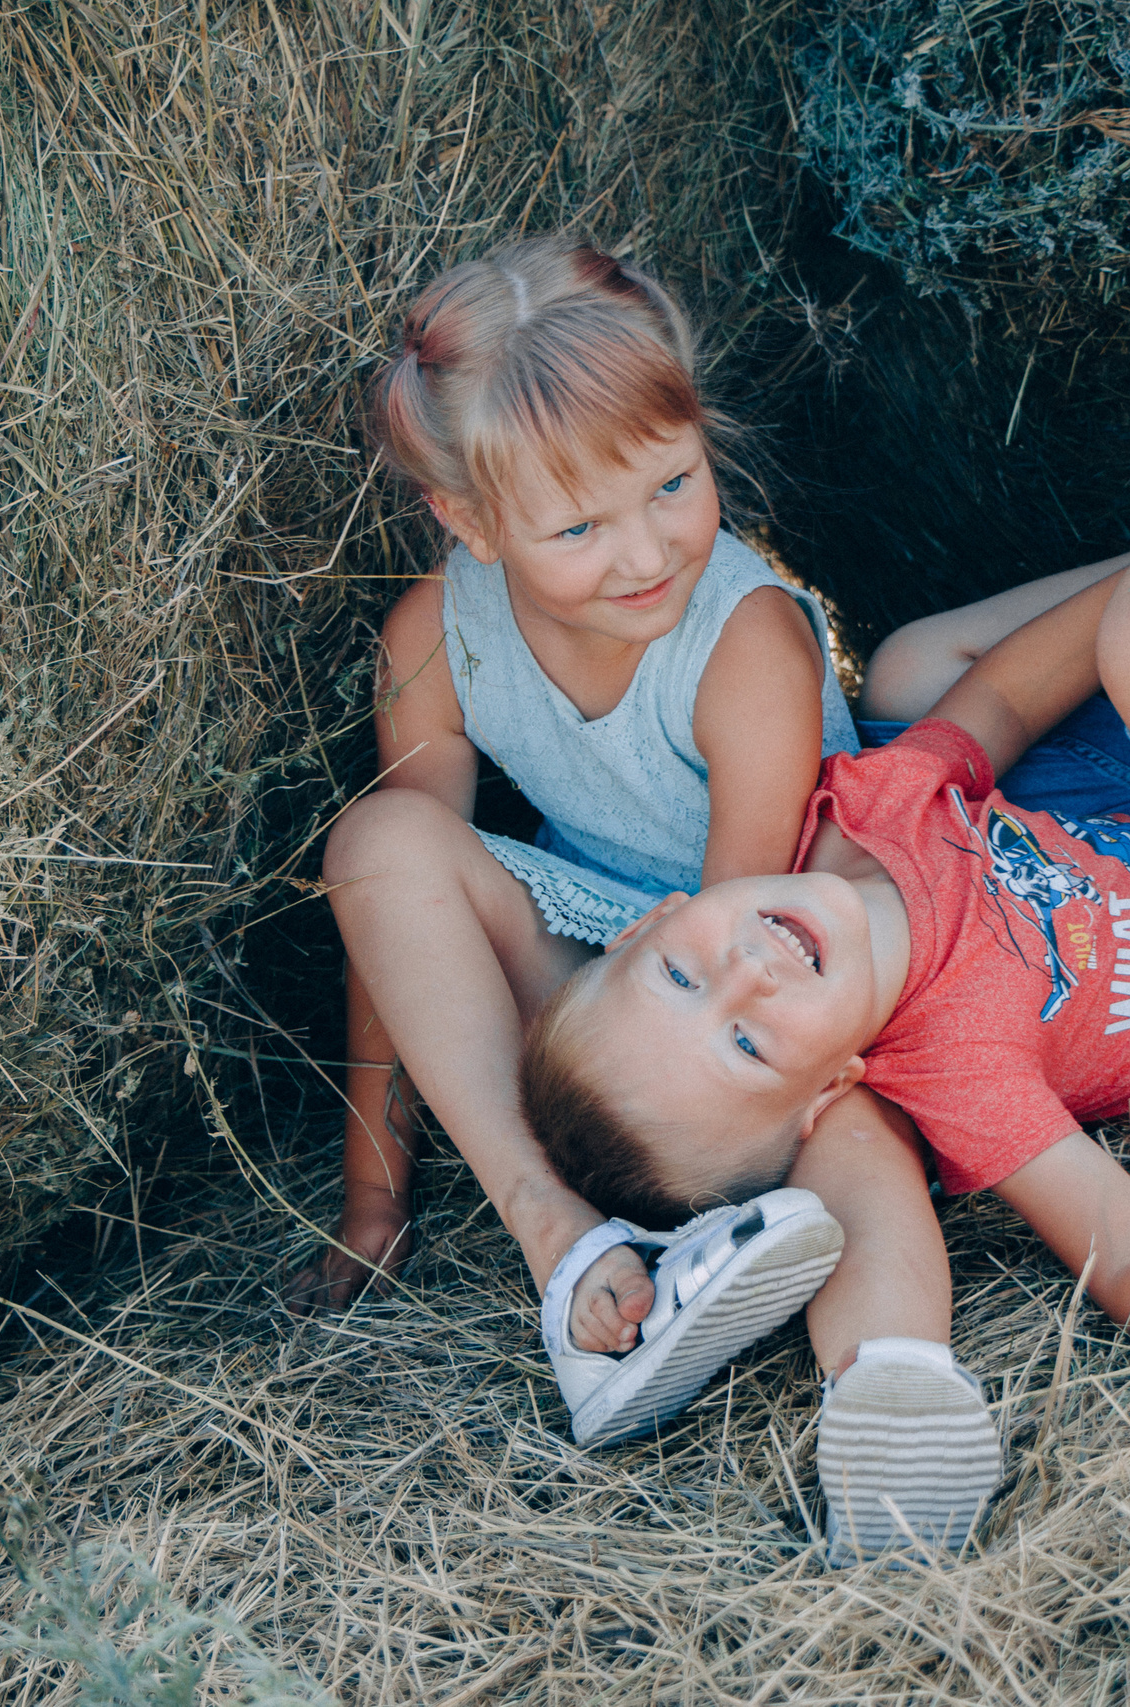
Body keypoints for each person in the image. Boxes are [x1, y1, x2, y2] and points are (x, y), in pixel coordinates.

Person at [517, 99, 1130, 1563]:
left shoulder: (860, 816)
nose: (752, 974)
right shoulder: (954, 1067)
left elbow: (1019, 691)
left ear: (653, 918)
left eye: (683, 975)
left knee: (905, 673)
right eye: (754, 1043)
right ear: (833, 1092)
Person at [290, 233, 891, 1448]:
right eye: (577, 530)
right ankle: (559, 1235)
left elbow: (745, 945)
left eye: (671, 483)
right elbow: (388, 930)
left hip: (763, 973)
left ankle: (718, 1256)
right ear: (467, 519)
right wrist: (372, 1198)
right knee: (376, 845)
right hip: (612, 964)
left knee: (857, 1127)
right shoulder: (432, 639)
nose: (647, 551)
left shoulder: (745, 645)